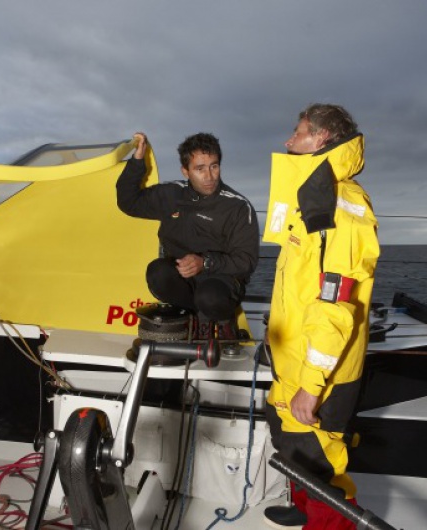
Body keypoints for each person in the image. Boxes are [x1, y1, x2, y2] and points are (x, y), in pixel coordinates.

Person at [262, 104, 379, 529]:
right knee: (294, 448)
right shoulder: (314, 196)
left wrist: (311, 386)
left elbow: (336, 305)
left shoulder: (338, 206)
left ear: (323, 138)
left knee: (321, 467)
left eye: (298, 134)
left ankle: (326, 519)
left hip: (318, 372)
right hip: (294, 358)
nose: (288, 142)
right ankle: (301, 508)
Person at [116, 132, 259, 337]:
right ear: (185, 171)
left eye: (214, 166)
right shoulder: (171, 194)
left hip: (221, 280)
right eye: (200, 169)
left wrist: (205, 262)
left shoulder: (237, 207)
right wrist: (138, 161)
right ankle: (196, 319)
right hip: (184, 276)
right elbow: (128, 202)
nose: (209, 176)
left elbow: (246, 261)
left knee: (209, 297)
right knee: (158, 273)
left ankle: (222, 321)